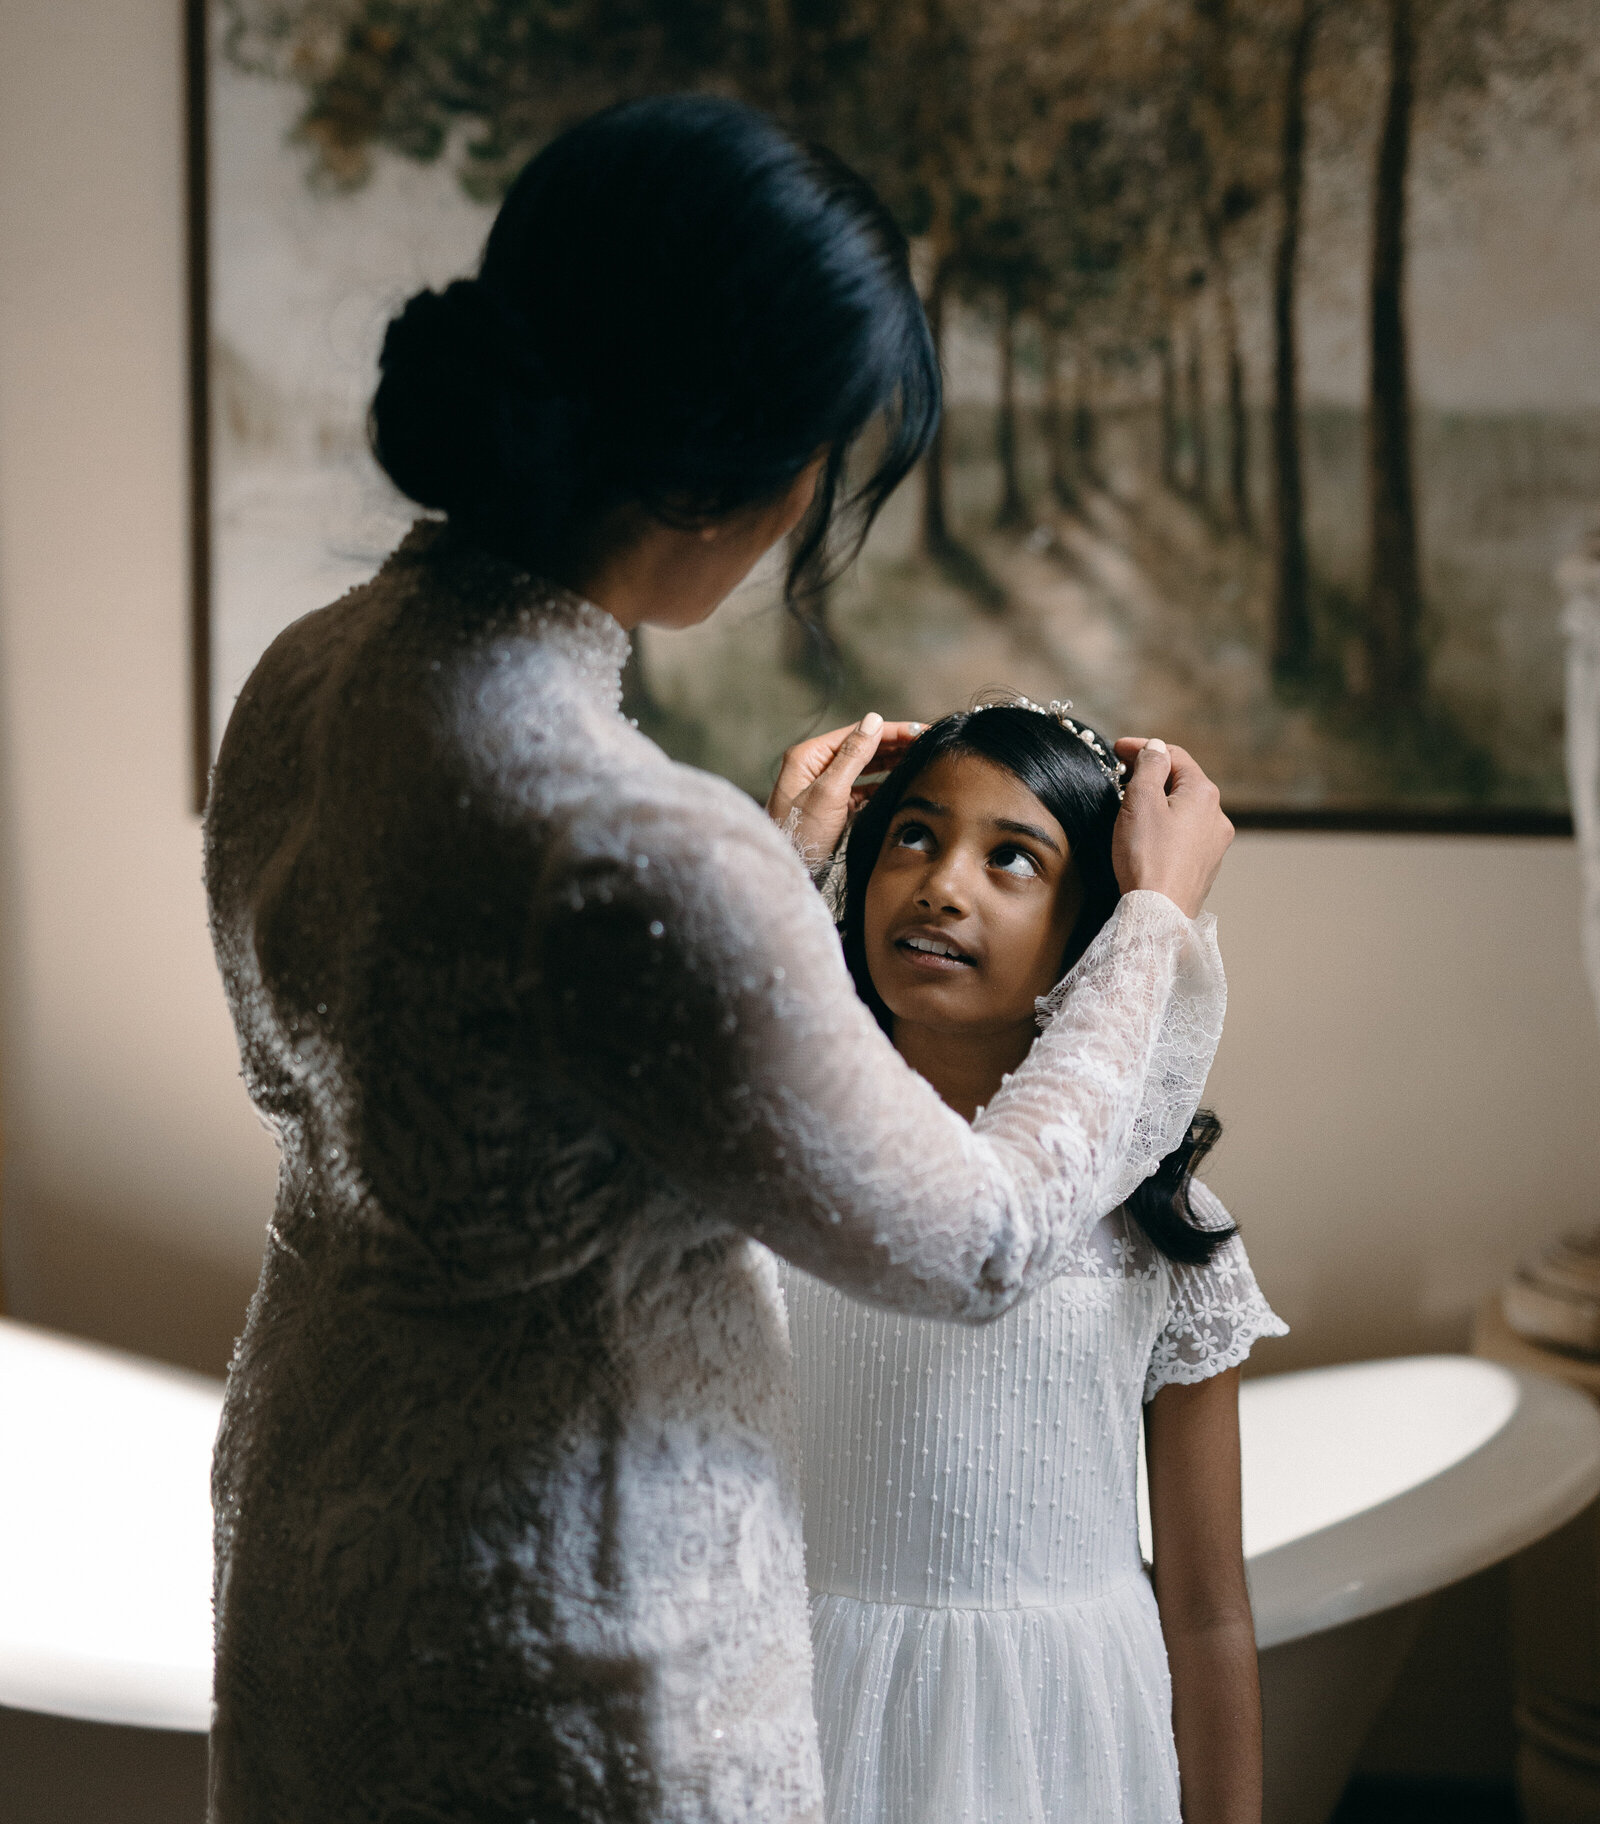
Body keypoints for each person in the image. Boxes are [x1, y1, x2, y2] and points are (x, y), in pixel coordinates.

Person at [203, 94, 1235, 1824]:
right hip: (573, 1642)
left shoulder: (308, 678)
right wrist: (1152, 925)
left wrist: (755, 890)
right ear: (747, 466)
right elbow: (978, 1240)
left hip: (319, 1558)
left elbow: (497, 1083)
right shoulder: (640, 851)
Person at [786, 698, 1286, 1824]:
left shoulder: (1164, 1233)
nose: (941, 884)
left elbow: (1207, 1612)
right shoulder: (775, 1181)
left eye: (1013, 858)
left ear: (1095, 931)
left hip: (1064, 1740)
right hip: (805, 1715)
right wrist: (778, 867)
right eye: (914, 834)